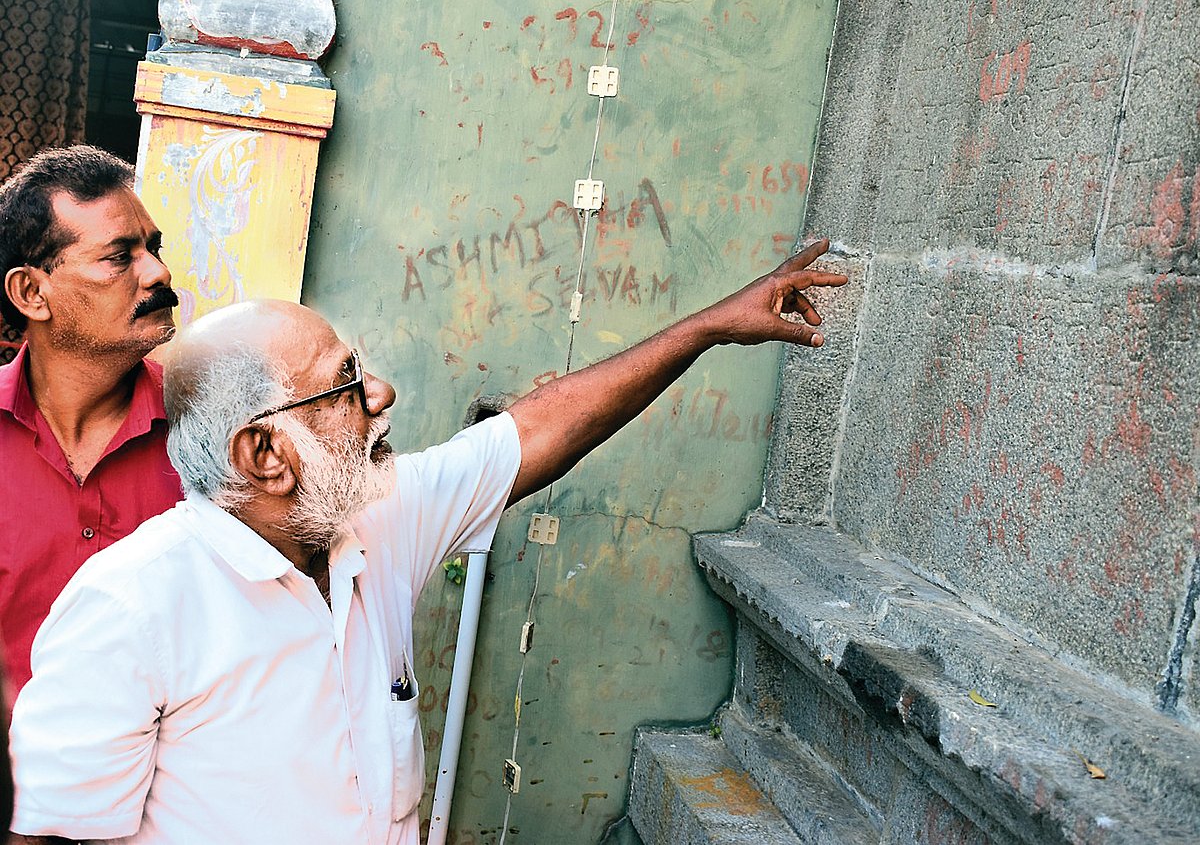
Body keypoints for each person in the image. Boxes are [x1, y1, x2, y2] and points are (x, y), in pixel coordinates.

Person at [8, 240, 847, 844]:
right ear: (263, 456)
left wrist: (710, 327)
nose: (382, 393)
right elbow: (57, 835)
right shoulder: (133, 604)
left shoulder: (375, 516)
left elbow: (539, 429)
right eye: (343, 385)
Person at [0, 146, 182, 698]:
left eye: (151, 248)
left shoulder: (210, 438)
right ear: (33, 293)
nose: (159, 271)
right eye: (119, 257)